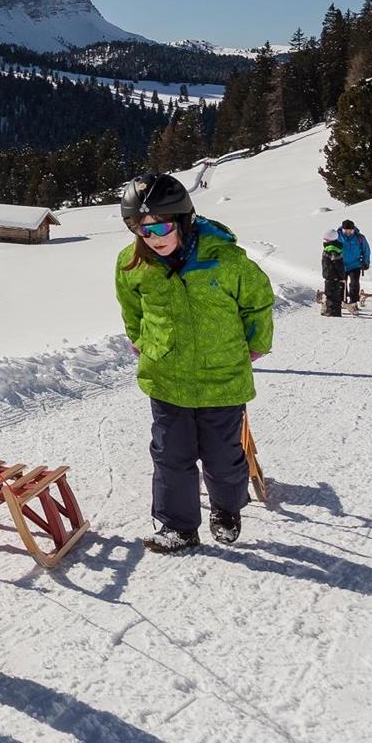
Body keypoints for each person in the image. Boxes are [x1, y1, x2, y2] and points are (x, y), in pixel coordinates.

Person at [114, 173, 274, 553]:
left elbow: (258, 302)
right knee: (171, 456)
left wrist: (256, 345)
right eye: (142, 230)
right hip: (166, 377)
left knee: (222, 458)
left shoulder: (225, 259)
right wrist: (141, 340)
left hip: (222, 378)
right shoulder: (132, 262)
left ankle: (226, 509)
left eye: (161, 227)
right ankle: (178, 526)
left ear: (182, 219)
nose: (153, 238)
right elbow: (131, 309)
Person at [337, 219, 371, 313]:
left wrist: (366, 262)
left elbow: (366, 250)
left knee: (354, 284)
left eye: (350, 231)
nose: (348, 233)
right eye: (346, 231)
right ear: (342, 229)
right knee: (341, 284)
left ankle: (353, 302)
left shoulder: (360, 237)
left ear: (353, 229)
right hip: (341, 265)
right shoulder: (337, 236)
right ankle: (342, 301)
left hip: (355, 265)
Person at [319, 229, 347, 316]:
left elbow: (337, 263)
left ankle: (332, 311)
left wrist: (340, 274)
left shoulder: (331, 248)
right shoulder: (334, 247)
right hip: (332, 274)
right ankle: (334, 310)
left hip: (331, 274)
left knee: (330, 293)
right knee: (334, 293)